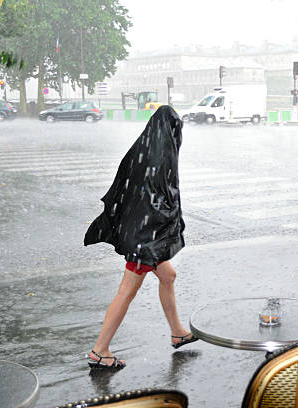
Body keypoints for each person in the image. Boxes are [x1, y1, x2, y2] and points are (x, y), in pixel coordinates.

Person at [83, 105, 197, 370]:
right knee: (126, 292)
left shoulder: (144, 150)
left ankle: (177, 332)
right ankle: (100, 351)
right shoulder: (159, 159)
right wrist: (156, 237)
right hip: (146, 240)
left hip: (142, 234)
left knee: (168, 276)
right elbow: (159, 203)